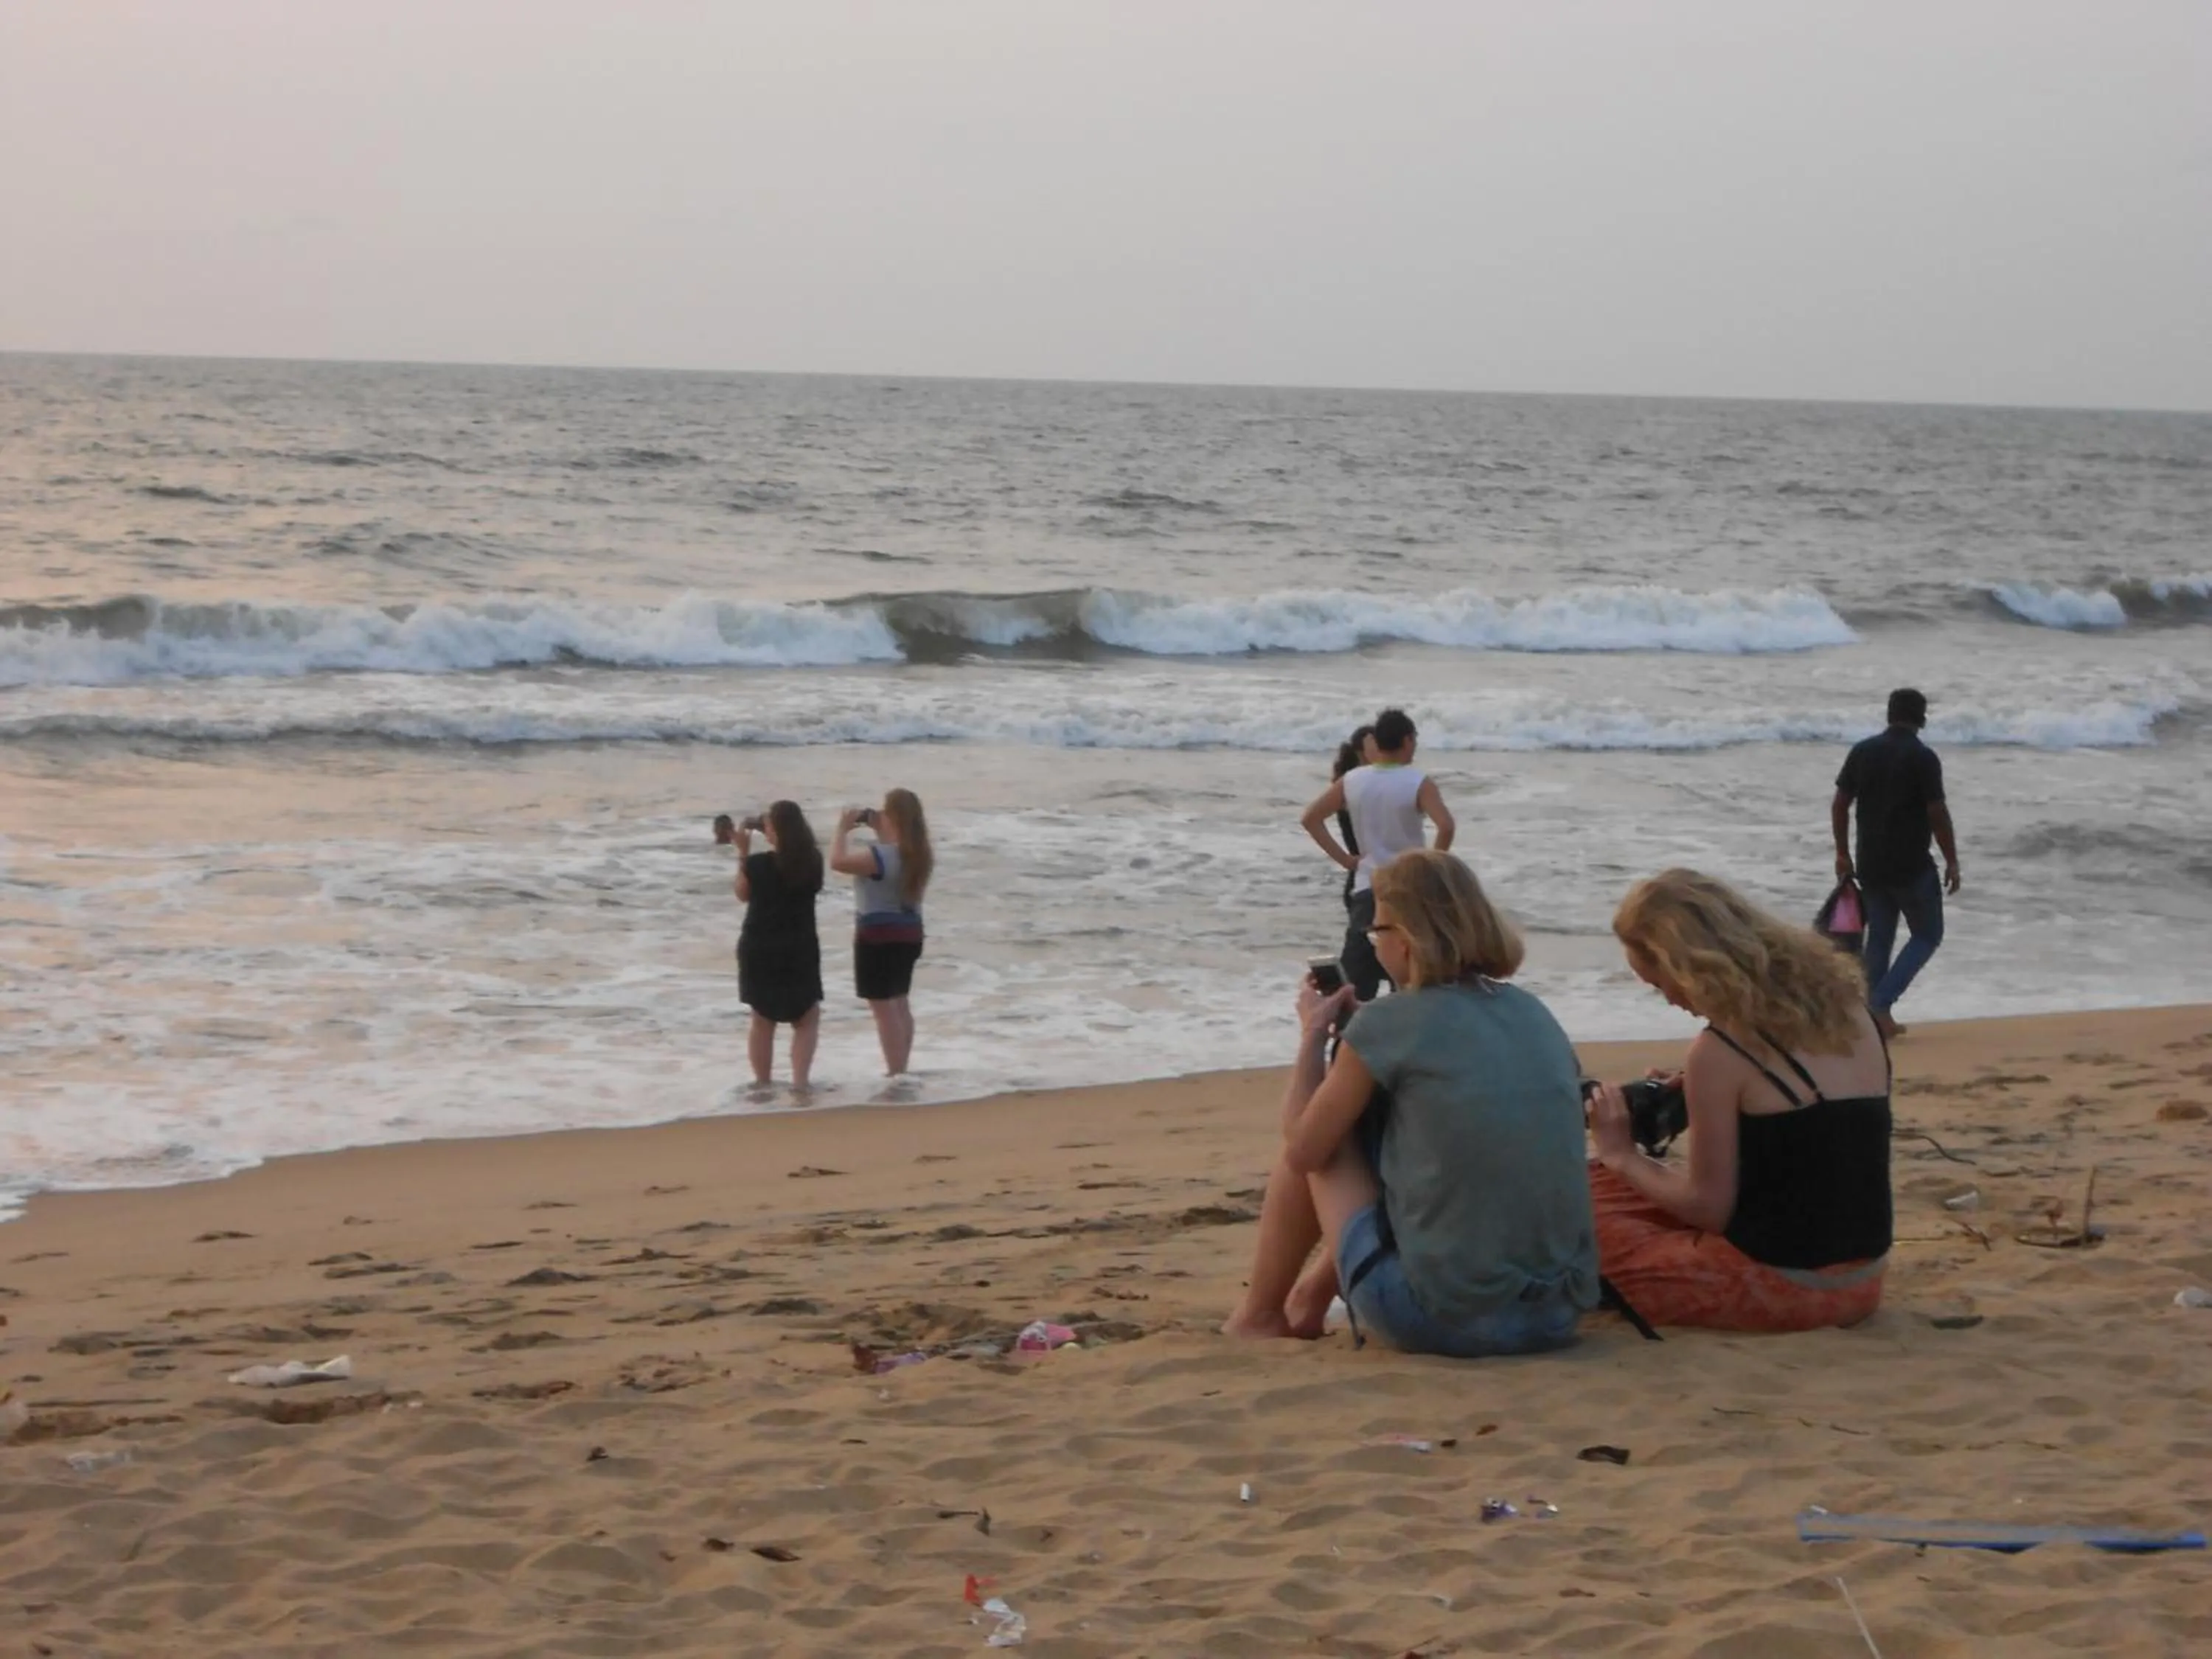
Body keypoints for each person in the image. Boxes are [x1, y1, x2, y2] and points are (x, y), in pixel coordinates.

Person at [1225, 850, 1598, 1357]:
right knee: (1407, 1132)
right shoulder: (1532, 1010)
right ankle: (1309, 1300)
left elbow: (1304, 1151)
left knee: (1330, 1139)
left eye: (1377, 930)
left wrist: (1314, 1036)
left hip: (1446, 1319)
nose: (1374, 941)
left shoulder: (1389, 1024)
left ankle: (1261, 1315)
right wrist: (1366, 1040)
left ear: (1405, 936)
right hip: (1557, 1312)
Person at [1586, 869, 1893, 1332]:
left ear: (1690, 964)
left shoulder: (1720, 1052)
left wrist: (1622, 1154)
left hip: (1786, 1288)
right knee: (1606, 1189)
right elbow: (1819, 1137)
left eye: (1659, 982)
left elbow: (1709, 1209)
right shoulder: (1848, 1008)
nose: (1668, 999)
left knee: (1582, 1207)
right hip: (1864, 1280)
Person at [1300, 707, 1455, 1000]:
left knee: (1357, 984)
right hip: (1409, 888)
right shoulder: (1418, 781)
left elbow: (1311, 818)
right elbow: (1446, 826)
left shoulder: (1353, 780)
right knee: (1411, 979)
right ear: (1407, 740)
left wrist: (1346, 860)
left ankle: (1350, 1041)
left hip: (1367, 886)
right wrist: (1432, 865)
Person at [1832, 687, 1961, 1039]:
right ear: (1921, 718)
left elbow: (1840, 803)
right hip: (1911, 865)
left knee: (1880, 939)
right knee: (1928, 934)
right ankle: (1880, 1004)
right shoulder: (1923, 757)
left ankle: (1871, 1015)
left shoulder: (1863, 751)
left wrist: (1842, 852)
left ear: (1889, 714)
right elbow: (1937, 812)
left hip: (1869, 863)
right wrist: (1952, 860)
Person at [830, 788, 933, 1076]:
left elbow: (837, 862)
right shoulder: (920, 854)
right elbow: (893, 855)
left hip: (877, 934)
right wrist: (881, 829)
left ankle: (896, 1072)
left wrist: (842, 830)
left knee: (884, 1009)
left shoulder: (880, 856)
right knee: (900, 1001)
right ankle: (902, 1067)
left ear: (894, 816)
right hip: (910, 932)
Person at [729, 801, 824, 1090]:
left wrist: (742, 852)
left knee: (762, 1020)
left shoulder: (757, 864)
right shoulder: (813, 862)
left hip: (760, 946)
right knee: (806, 1018)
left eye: (768, 825)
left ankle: (762, 1082)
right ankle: (800, 1083)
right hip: (800, 946)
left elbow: (742, 894)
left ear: (777, 831)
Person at [1329, 723, 1378, 916]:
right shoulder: (1351, 786)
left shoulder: (1362, 784)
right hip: (1362, 880)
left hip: (1369, 878)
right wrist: (1345, 860)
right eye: (1375, 745)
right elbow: (1311, 819)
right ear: (1361, 751)